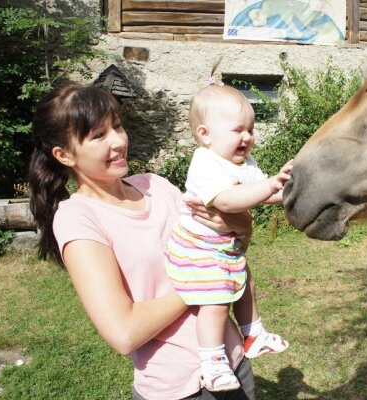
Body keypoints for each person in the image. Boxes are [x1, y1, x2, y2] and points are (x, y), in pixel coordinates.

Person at [28, 82, 256, 400]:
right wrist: (201, 279)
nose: (118, 142)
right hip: (179, 389)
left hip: (232, 362)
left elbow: (229, 246)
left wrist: (242, 224)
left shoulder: (156, 186)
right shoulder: (78, 217)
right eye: (98, 136)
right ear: (64, 155)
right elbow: (124, 333)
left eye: (117, 127)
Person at [164, 77, 291, 391]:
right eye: (238, 130)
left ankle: (254, 333)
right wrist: (270, 185)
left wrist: (289, 190)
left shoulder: (244, 162)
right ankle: (212, 362)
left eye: (250, 129)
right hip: (199, 250)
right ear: (205, 135)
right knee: (216, 302)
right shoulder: (205, 162)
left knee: (246, 285)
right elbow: (225, 200)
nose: (247, 137)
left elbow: (259, 192)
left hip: (225, 248)